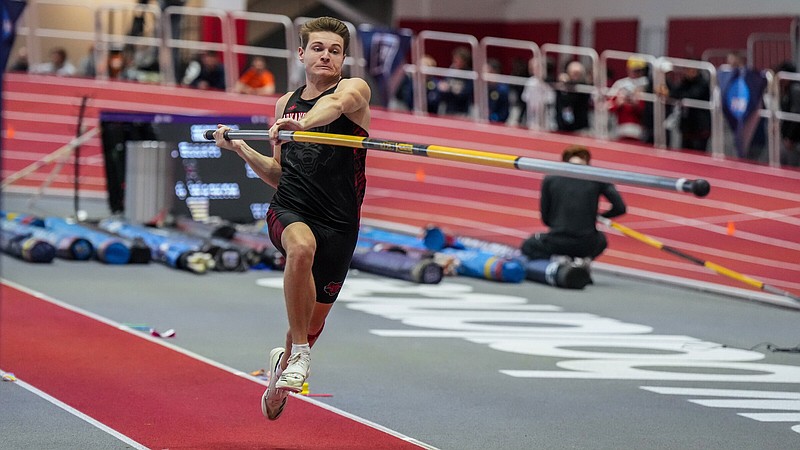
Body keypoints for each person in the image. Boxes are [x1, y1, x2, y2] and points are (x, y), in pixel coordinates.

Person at [212, 16, 371, 421]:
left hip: (340, 221)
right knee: (301, 247)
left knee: (311, 322)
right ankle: (300, 354)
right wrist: (241, 150)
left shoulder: (353, 90)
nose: (327, 56)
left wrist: (299, 126)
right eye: (318, 48)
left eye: (335, 51)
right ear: (302, 53)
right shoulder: (285, 102)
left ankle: (284, 367)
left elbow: (333, 107)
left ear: (343, 58)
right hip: (292, 207)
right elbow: (279, 174)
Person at [520, 145, 626, 266]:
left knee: (528, 246)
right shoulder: (598, 177)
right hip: (586, 243)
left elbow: (545, 218)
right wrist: (597, 216)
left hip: (556, 241)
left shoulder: (551, 178)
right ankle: (583, 260)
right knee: (602, 241)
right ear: (587, 160)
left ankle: (556, 260)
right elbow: (620, 208)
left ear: (564, 160)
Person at [668, 66, 712, 151]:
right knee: (685, 152)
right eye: (686, 70)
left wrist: (681, 97)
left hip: (700, 127)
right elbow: (674, 93)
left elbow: (692, 95)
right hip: (687, 126)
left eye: (691, 70)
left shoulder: (703, 83)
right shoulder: (684, 82)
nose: (688, 72)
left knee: (699, 154)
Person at [554, 61, 592, 133]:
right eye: (573, 73)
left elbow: (575, 97)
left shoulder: (584, 88)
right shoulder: (562, 87)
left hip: (580, 128)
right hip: (562, 127)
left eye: (578, 74)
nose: (575, 76)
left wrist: (569, 83)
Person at [437, 46, 474, 116]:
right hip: (448, 108)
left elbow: (466, 93)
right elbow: (444, 86)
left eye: (459, 60)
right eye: (455, 59)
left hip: (462, 111)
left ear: (465, 61)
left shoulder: (469, 74)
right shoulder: (451, 71)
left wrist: (451, 89)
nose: (456, 62)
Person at [777, 61, 800, 167]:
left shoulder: (795, 90)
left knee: (793, 166)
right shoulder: (786, 90)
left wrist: (790, 137)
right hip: (787, 137)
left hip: (794, 140)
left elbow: (796, 114)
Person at [485, 58, 510, 124]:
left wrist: (493, 118)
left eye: (487, 72)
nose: (484, 75)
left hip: (498, 122)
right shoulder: (484, 87)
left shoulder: (502, 89)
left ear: (494, 72)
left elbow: (504, 113)